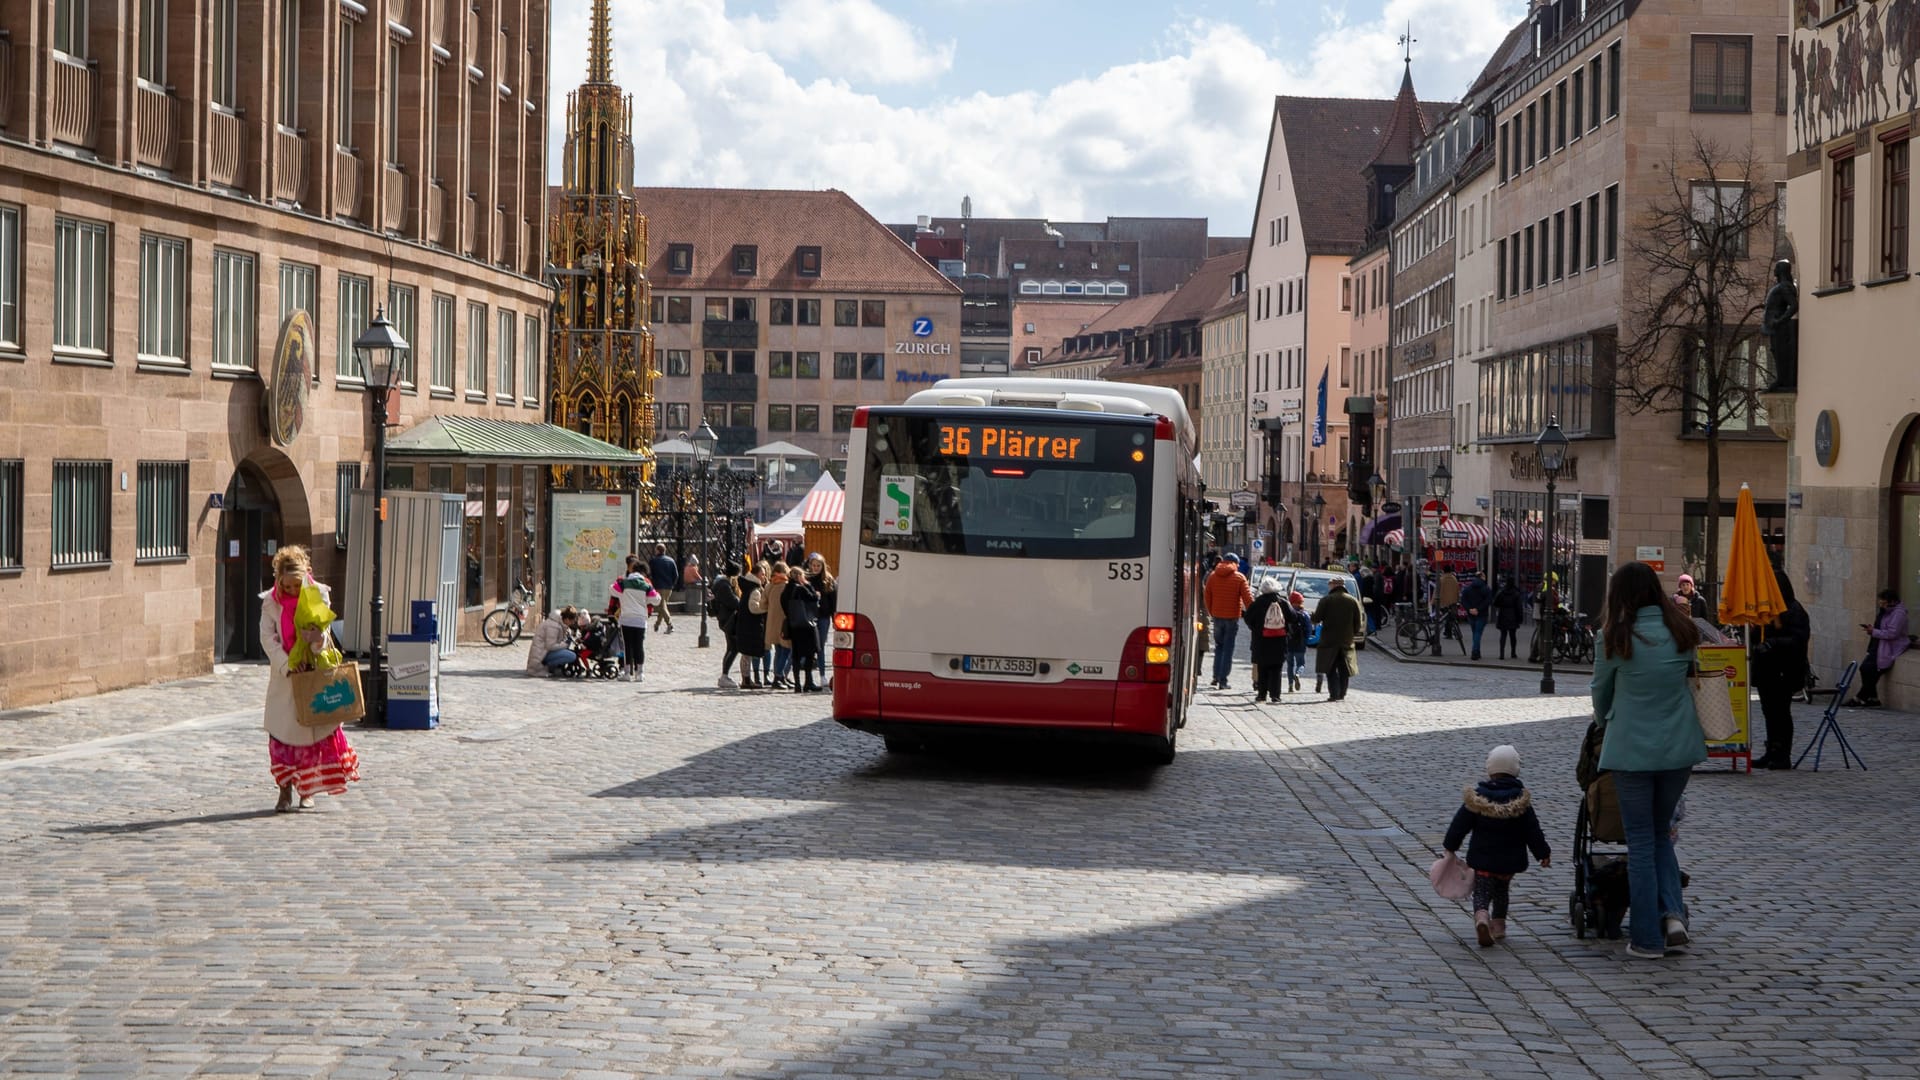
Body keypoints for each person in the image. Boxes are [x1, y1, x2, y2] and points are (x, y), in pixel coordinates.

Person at [1589, 560, 1704, 959]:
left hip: (1632, 750)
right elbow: (1692, 678)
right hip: (1679, 749)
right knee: (1659, 834)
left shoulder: (1614, 637)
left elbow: (1600, 695)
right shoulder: (1683, 631)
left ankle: (1646, 940)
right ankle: (1671, 915)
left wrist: (1605, 722)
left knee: (1640, 840)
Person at [260, 545, 362, 812]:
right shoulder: (270, 603)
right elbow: (268, 639)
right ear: (278, 580)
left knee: (312, 738)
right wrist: (286, 663)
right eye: (287, 586)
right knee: (282, 737)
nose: (293, 591)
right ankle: (284, 792)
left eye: (297, 585)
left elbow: (325, 633)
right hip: (286, 681)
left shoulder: (319, 596)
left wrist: (316, 640)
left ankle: (308, 791)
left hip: (314, 676)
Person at [1443, 744, 1551, 947]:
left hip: (1483, 859)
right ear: (1515, 770)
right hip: (1509, 861)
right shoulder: (1521, 802)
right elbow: (1533, 831)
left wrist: (1450, 845)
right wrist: (1542, 853)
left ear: (1490, 769)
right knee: (1502, 891)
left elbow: (1460, 824)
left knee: (1482, 892)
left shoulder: (1478, 799)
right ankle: (1499, 926)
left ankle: (1482, 917)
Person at [1749, 570, 1811, 770]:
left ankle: (1783, 753)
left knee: (1781, 712)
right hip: (1767, 669)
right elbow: (1759, 636)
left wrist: (1773, 643)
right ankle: (1771, 750)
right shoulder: (1767, 611)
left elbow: (1798, 640)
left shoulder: (1794, 610)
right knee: (1769, 711)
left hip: (1785, 670)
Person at [1849, 588, 1909, 707]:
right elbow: (1882, 626)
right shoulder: (1885, 612)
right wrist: (1873, 630)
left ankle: (1859, 698)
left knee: (1872, 671)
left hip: (1888, 647)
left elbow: (1892, 633)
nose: (1881, 605)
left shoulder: (1898, 614)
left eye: (1883, 603)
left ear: (1891, 602)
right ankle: (1873, 698)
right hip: (1878, 645)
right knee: (1865, 669)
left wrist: (1874, 631)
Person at [1204, 553, 1254, 690]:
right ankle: (1223, 680)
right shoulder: (1239, 578)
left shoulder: (1213, 576)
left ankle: (1215, 676)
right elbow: (1248, 600)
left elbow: (1207, 595)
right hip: (1232, 618)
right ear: (1235, 563)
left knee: (1219, 647)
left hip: (1217, 616)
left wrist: (1212, 612)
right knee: (1228, 648)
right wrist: (1254, 614)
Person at [1311, 576, 1365, 701]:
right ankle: (1342, 693)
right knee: (1344, 669)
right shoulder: (1353, 600)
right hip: (1346, 640)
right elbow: (1358, 622)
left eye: (1330, 584)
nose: (1329, 586)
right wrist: (1352, 633)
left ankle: (1334, 694)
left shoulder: (1326, 600)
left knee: (1330, 668)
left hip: (1329, 641)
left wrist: (1313, 616)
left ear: (1334, 585)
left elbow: (1316, 619)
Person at [1242, 578, 1291, 703]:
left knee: (1262, 668)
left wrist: (1256, 628)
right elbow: (1293, 617)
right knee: (1276, 669)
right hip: (1279, 641)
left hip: (1261, 641)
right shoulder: (1283, 602)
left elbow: (1247, 618)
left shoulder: (1257, 603)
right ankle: (1275, 695)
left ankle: (1261, 695)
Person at [612, 557, 658, 683]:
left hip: (626, 619)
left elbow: (613, 589)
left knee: (627, 646)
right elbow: (657, 599)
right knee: (639, 645)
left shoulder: (623, 583)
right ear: (644, 572)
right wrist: (646, 600)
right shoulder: (646, 585)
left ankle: (627, 672)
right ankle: (640, 673)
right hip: (640, 620)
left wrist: (623, 597)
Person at [783, 571, 823, 692]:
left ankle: (797, 684)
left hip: (794, 625)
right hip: (806, 626)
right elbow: (813, 598)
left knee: (796, 655)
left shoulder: (786, 590)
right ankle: (808, 682)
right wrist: (811, 588)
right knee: (809, 654)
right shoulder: (801, 588)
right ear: (799, 576)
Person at [709, 561, 743, 689]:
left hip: (726, 618)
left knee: (732, 647)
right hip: (727, 619)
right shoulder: (724, 585)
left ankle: (725, 675)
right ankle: (724, 675)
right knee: (733, 647)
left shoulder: (722, 583)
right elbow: (734, 602)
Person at [736, 567, 771, 689]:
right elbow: (753, 608)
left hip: (745, 623)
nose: (764, 576)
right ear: (756, 575)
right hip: (750, 624)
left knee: (746, 653)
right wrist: (766, 608)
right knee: (747, 653)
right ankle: (746, 680)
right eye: (762, 574)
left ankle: (746, 679)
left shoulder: (748, 586)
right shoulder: (755, 590)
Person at [805, 553, 838, 682]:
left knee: (821, 646)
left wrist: (834, 617)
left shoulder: (828, 580)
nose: (816, 568)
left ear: (822, 566)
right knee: (809, 646)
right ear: (810, 566)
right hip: (809, 617)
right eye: (814, 565)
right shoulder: (806, 579)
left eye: (818, 565)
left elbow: (833, 601)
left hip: (823, 617)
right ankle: (808, 677)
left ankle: (822, 674)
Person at [525, 606, 583, 677]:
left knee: (568, 653)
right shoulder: (553, 626)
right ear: (567, 619)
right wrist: (565, 644)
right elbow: (550, 646)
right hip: (541, 655)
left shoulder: (557, 623)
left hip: (543, 652)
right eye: (572, 621)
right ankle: (547, 667)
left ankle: (554, 667)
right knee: (571, 656)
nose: (572, 623)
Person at [765, 561, 794, 688]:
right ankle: (778, 676)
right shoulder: (786, 586)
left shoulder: (769, 585)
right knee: (786, 650)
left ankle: (780, 676)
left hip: (772, 622)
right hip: (784, 623)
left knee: (778, 650)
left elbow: (762, 604)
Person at [1461, 574, 1493, 661]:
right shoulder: (1486, 589)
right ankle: (1475, 652)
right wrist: (1478, 609)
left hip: (1471, 614)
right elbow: (1488, 601)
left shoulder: (1468, 588)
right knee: (1478, 633)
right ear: (1482, 578)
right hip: (1481, 614)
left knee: (1475, 632)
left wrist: (1469, 609)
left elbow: (1463, 600)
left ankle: (1477, 651)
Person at [1492, 577, 1526, 660]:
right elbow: (1519, 607)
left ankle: (1501, 654)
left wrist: (1501, 606)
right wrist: (1520, 618)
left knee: (1503, 635)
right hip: (1513, 616)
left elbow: (1495, 603)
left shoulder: (1501, 592)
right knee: (1513, 635)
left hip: (1502, 614)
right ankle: (1513, 652)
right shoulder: (1516, 594)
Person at [648, 544, 678, 633]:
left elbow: (650, 574)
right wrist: (672, 584)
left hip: (658, 587)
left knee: (662, 606)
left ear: (657, 550)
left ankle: (670, 625)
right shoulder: (671, 560)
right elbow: (676, 575)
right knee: (663, 606)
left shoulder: (653, 561)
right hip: (669, 587)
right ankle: (657, 624)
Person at [1284, 590, 1311, 692]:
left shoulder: (1287, 614)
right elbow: (1308, 630)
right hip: (1300, 643)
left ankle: (1290, 685)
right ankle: (1298, 674)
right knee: (1301, 664)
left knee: (1289, 665)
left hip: (1289, 643)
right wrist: (1306, 640)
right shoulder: (1305, 615)